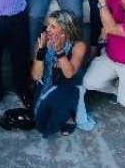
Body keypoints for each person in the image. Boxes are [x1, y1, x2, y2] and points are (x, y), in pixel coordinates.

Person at [31, 9, 88, 137]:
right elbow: (36, 76)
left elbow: (69, 74)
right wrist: (40, 52)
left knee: (55, 117)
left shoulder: (78, 46)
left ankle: (69, 114)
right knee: (39, 119)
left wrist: (59, 51)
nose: (48, 29)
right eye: (48, 25)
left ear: (65, 30)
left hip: (67, 85)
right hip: (46, 83)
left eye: (53, 26)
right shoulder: (43, 41)